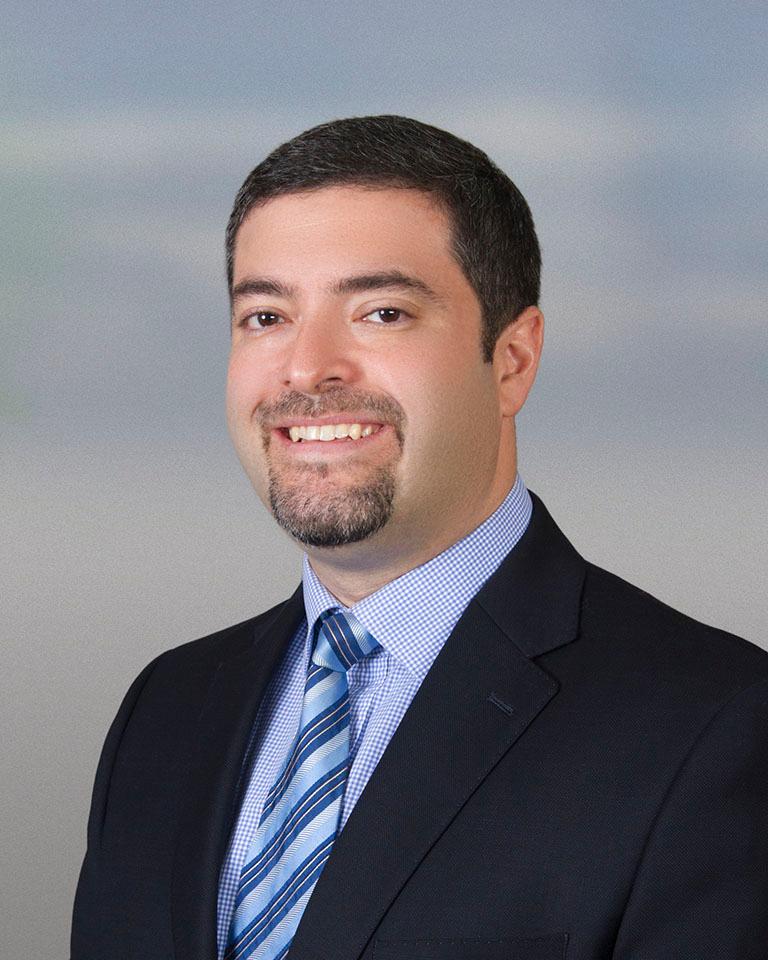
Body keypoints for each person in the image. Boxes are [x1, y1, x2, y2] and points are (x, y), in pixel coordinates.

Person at [71, 116, 768, 960]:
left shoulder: (716, 725)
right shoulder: (166, 710)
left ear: (512, 360)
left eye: (382, 312)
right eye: (266, 315)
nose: (307, 367)